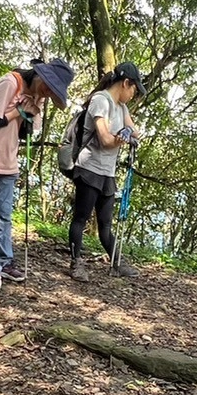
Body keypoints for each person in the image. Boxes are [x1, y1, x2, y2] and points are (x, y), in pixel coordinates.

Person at [0, 59, 73, 292]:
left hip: (7, 162)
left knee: (4, 216)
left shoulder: (37, 98)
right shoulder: (10, 83)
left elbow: (25, 134)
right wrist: (20, 110)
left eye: (53, 91)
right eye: (48, 85)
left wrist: (30, 112)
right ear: (38, 74)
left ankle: (6, 262)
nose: (47, 92)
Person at [69, 62, 145, 281]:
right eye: (134, 89)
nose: (133, 94)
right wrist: (121, 139)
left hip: (107, 173)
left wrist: (127, 133)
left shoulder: (121, 107)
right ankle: (76, 263)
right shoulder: (101, 101)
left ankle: (116, 261)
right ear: (125, 83)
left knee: (105, 224)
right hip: (89, 168)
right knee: (80, 219)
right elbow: (104, 139)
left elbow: (135, 132)